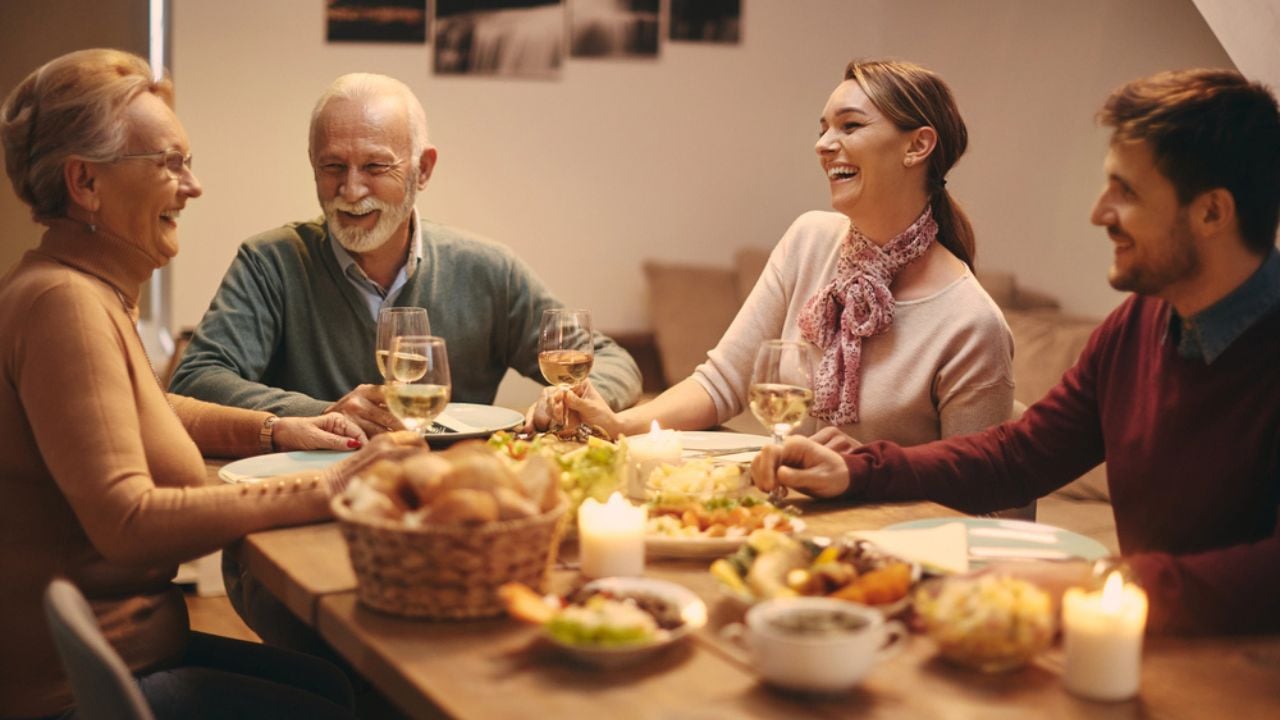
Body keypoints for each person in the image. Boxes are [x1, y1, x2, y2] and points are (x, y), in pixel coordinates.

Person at [751, 68, 1280, 636]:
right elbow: (1018, 455)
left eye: (1126, 192)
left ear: (1212, 213)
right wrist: (857, 472)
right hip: (1156, 641)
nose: (1099, 214)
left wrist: (1093, 582)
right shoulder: (1137, 325)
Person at [0, 49, 428, 719]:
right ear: (86, 183)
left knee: (341, 687)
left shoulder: (77, 290)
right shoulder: (66, 306)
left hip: (131, 653)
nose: (192, 186)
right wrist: (330, 487)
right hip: (82, 692)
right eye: (168, 164)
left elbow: (142, 407)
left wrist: (273, 428)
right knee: (356, 702)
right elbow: (129, 521)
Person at [558, 60, 1014, 451]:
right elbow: (723, 382)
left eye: (850, 126)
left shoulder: (971, 323)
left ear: (917, 146)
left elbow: (987, 505)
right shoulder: (809, 240)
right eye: (823, 130)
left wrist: (872, 472)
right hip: (790, 520)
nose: (823, 144)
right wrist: (619, 425)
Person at [167, 72, 641, 439]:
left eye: (375, 166)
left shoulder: (487, 269)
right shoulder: (270, 262)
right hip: (308, 499)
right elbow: (195, 381)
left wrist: (571, 400)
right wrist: (323, 413)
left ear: (423, 169)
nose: (350, 191)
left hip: (446, 506)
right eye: (333, 167)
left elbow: (611, 360)